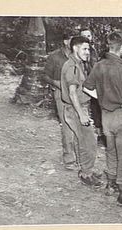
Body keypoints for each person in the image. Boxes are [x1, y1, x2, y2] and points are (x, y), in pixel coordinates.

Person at [84, 32, 122, 204]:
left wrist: (101, 97)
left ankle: (110, 184)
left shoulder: (99, 66)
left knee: (111, 150)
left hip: (105, 116)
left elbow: (86, 87)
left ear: (109, 47)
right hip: (121, 114)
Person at [60, 36, 102, 187]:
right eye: (84, 49)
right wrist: (81, 114)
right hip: (75, 109)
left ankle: (87, 169)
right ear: (75, 48)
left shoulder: (77, 64)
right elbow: (72, 94)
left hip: (79, 107)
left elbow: (81, 88)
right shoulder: (72, 67)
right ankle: (86, 174)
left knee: (85, 140)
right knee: (88, 141)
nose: (87, 52)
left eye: (88, 49)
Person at [43, 32, 77, 171]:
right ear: (65, 41)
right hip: (61, 94)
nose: (74, 42)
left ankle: (81, 157)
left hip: (78, 94)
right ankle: (69, 159)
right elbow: (45, 76)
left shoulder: (80, 55)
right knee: (67, 125)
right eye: (71, 39)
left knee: (79, 124)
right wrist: (57, 83)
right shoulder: (55, 57)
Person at [80, 28, 106, 147]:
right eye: (84, 36)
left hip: (97, 83)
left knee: (98, 108)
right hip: (86, 84)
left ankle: (101, 134)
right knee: (91, 109)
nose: (87, 38)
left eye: (89, 36)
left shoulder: (94, 50)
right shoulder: (80, 52)